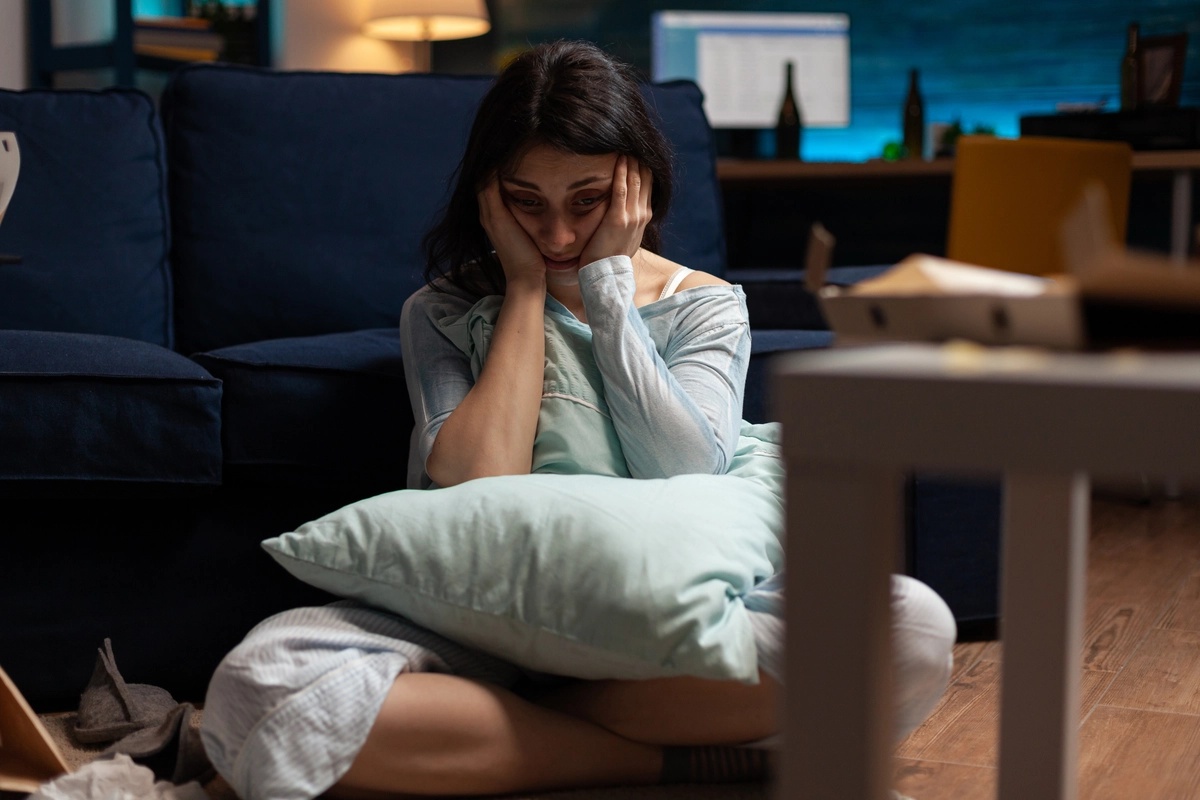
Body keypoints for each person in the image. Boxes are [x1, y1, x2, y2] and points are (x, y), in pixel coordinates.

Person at [200, 41, 956, 800]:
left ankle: (516, 729)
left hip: (655, 631)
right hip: (469, 622)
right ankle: (652, 761)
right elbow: (478, 477)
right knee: (258, 688)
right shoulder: (441, 311)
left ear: (639, 191)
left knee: (912, 628)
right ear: (489, 197)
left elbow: (683, 469)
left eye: (587, 201)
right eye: (526, 203)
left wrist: (607, 292)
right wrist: (525, 292)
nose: (557, 235)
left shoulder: (708, 305)